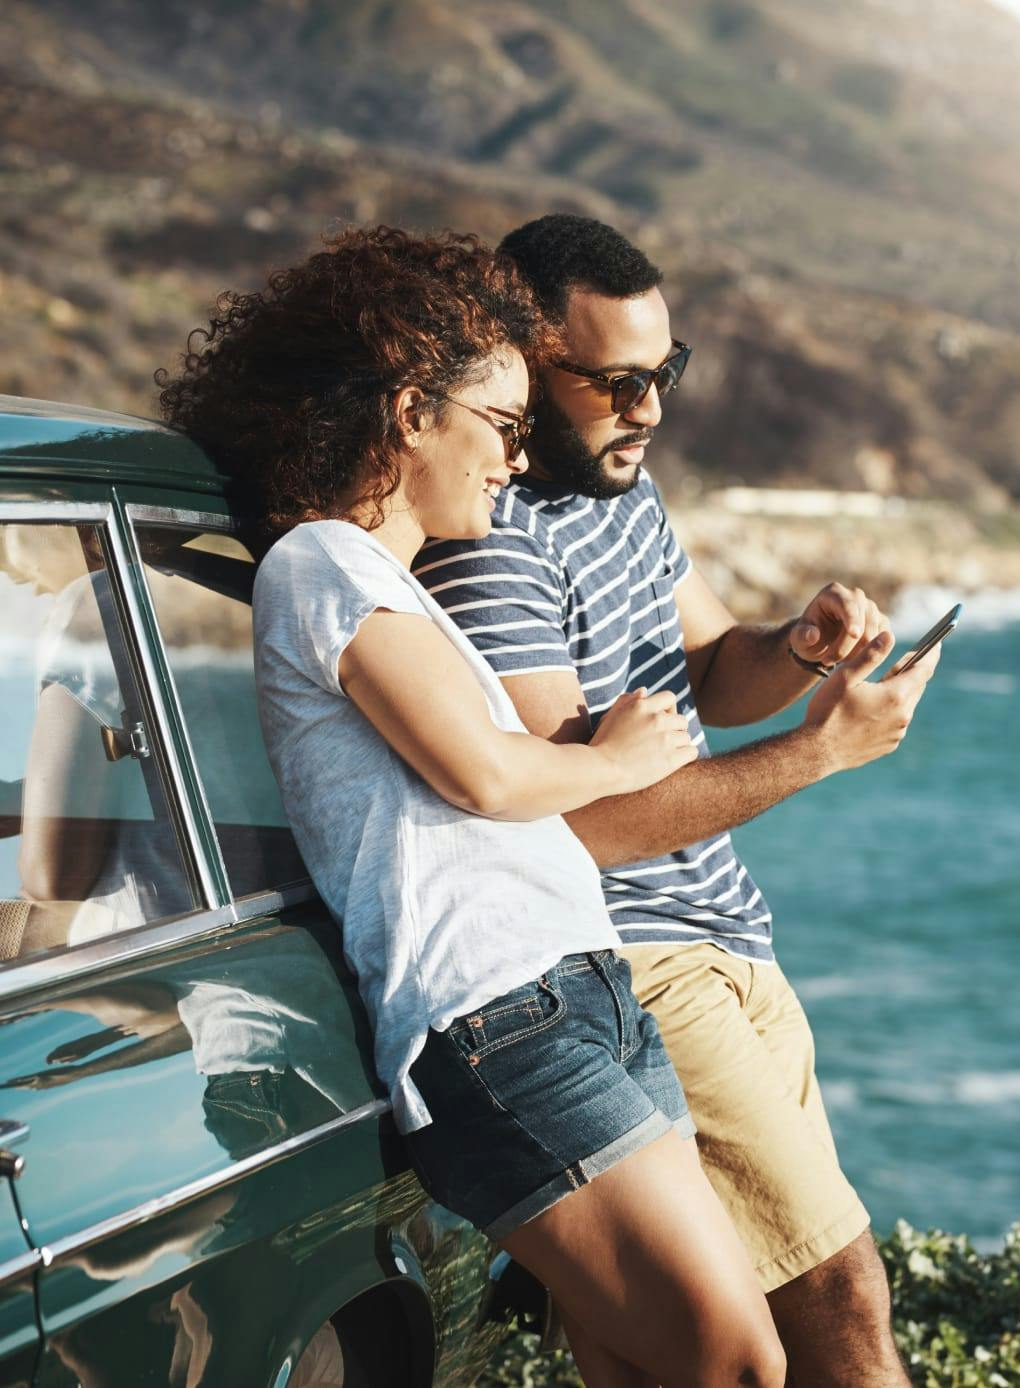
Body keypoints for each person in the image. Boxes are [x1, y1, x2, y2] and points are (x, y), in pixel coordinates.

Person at [158, 226, 786, 1388]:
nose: (513, 458)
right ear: (409, 414)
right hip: (500, 1017)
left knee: (643, 1364)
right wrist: (618, 754)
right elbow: (487, 775)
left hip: (574, 986)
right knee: (735, 1358)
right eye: (498, 427)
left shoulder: (384, 581)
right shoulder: (323, 562)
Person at [415, 215, 936, 1387]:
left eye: (665, 372)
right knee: (839, 1293)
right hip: (640, 958)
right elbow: (579, 824)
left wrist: (800, 647)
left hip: (734, 939)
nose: (649, 407)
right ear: (520, 364)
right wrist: (819, 754)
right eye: (615, 382)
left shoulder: (625, 500)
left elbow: (708, 666)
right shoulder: (490, 548)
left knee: (723, 1332)